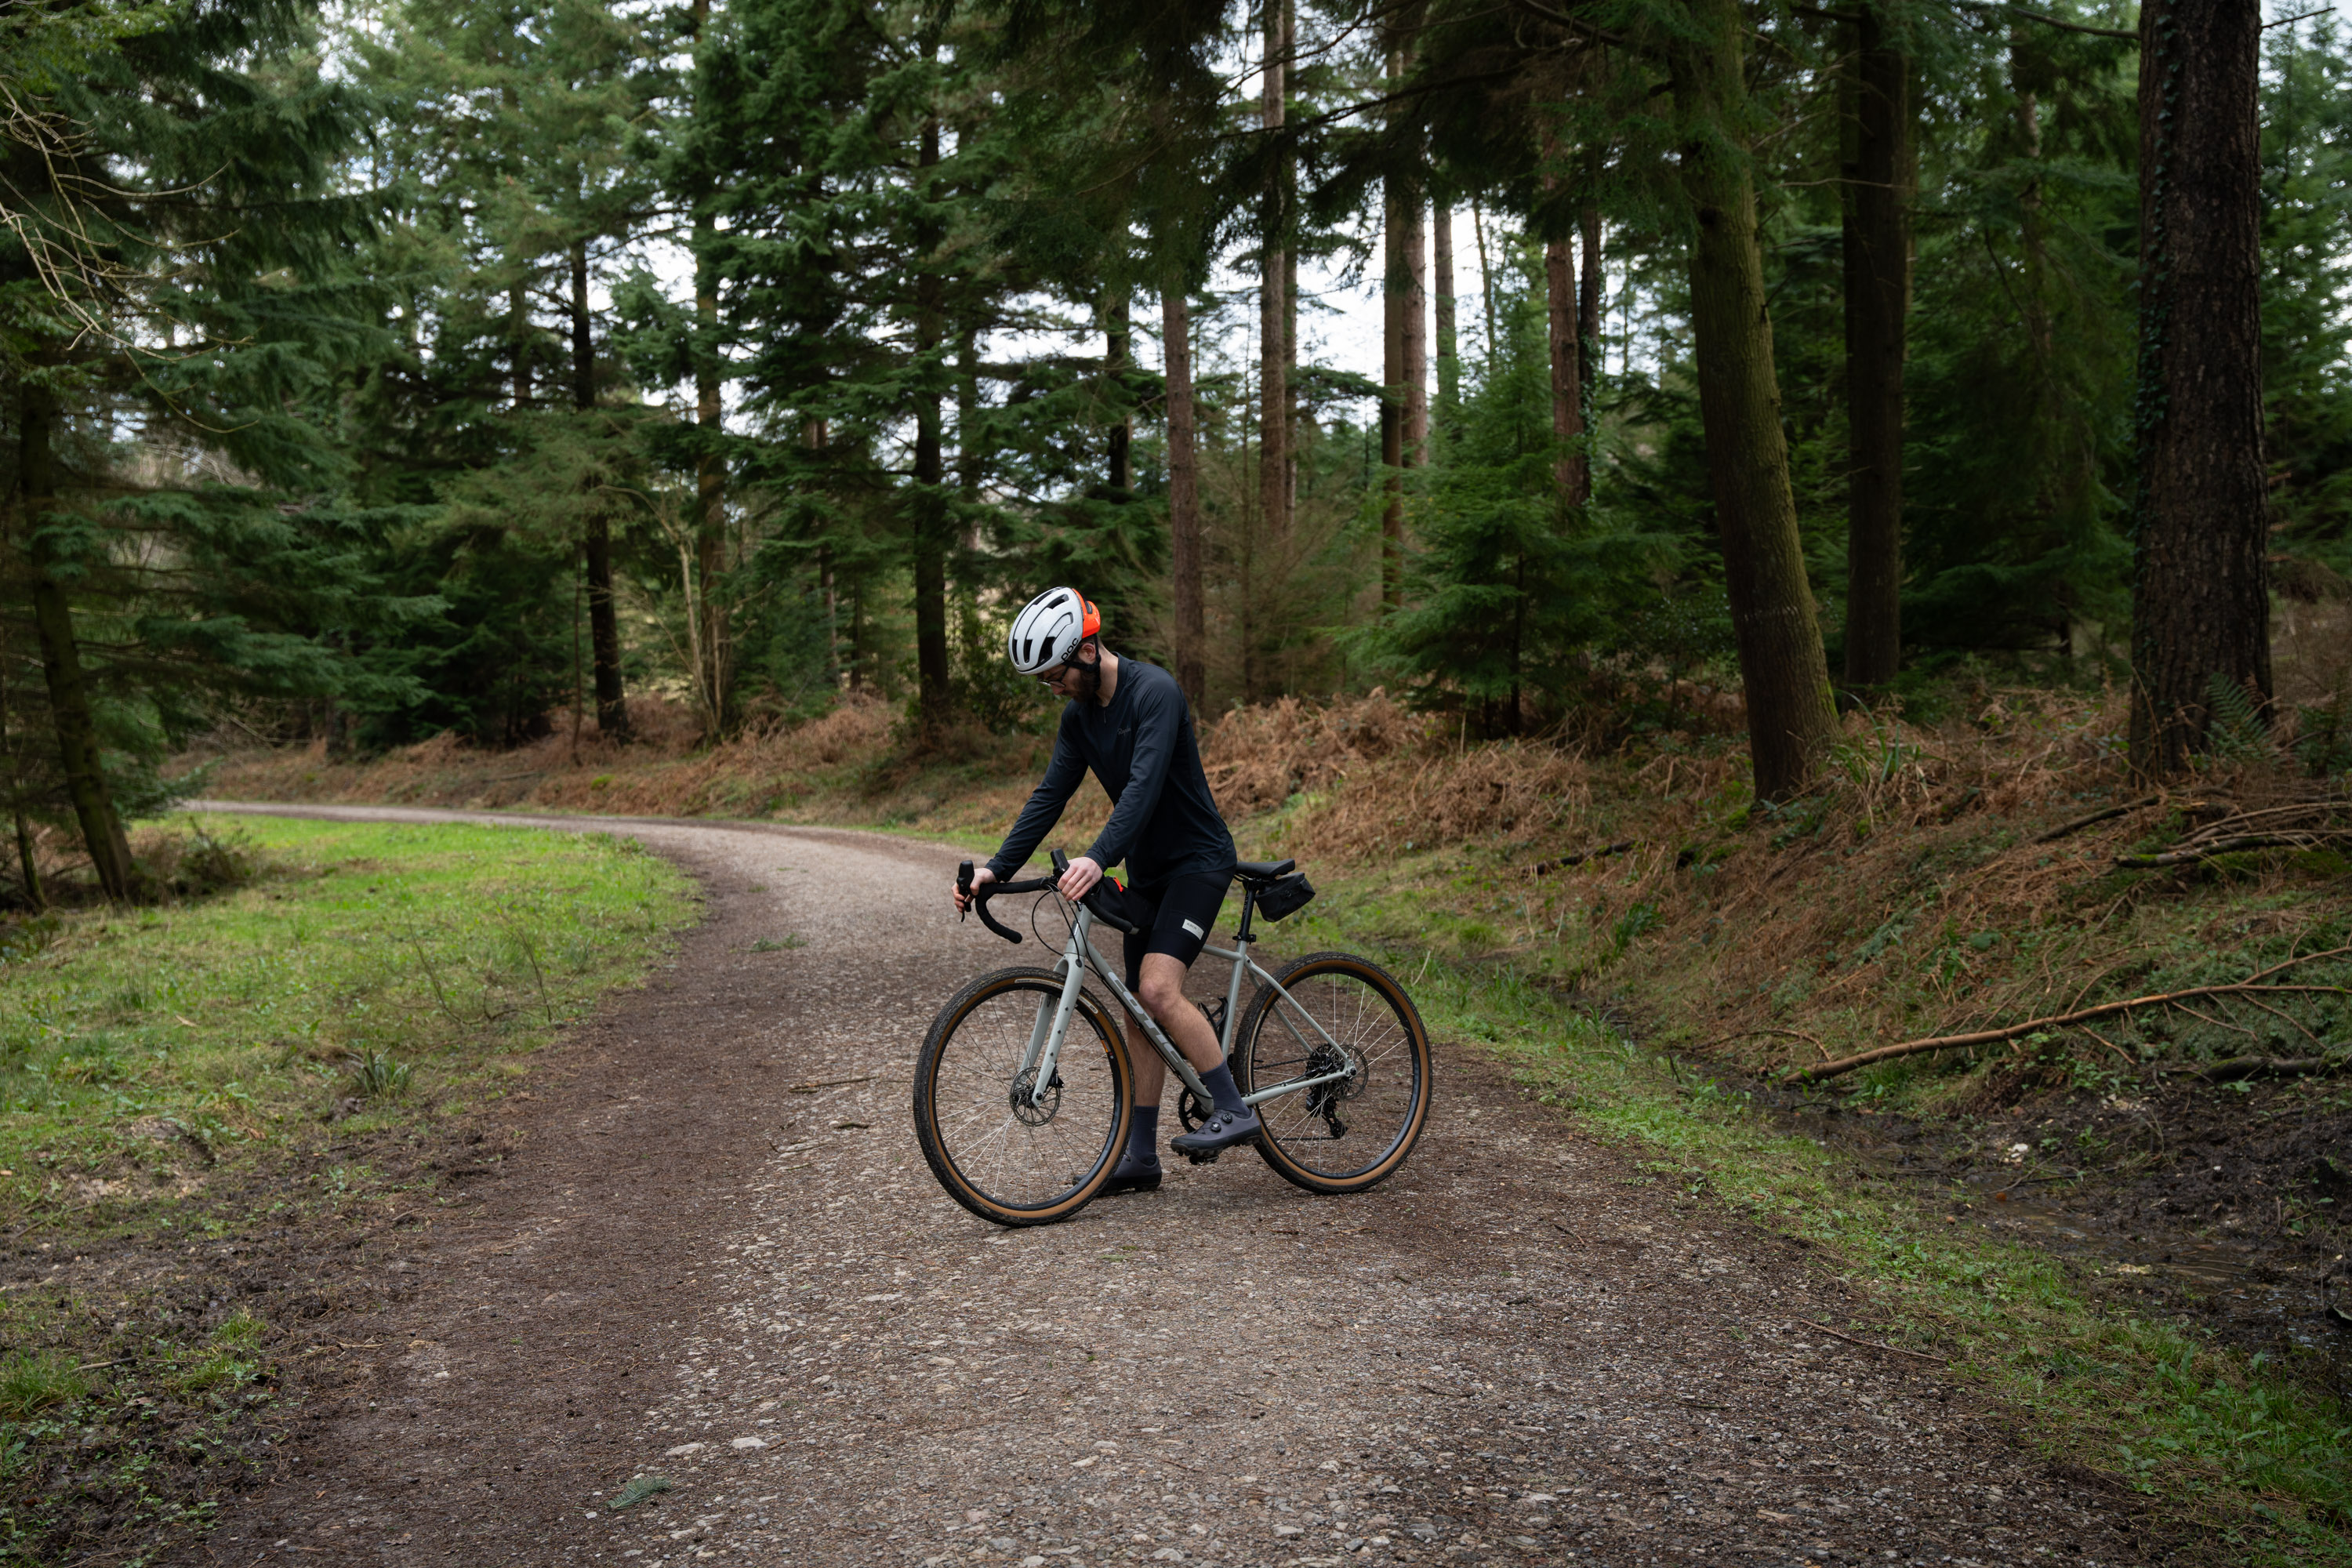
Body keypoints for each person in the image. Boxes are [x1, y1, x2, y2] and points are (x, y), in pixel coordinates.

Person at [951, 586, 1256, 1191]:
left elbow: (1142, 790)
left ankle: (1234, 1108)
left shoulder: (1156, 694)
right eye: (1044, 681)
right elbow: (1048, 797)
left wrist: (1097, 857)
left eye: (1055, 675)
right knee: (1138, 1009)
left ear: (1087, 651)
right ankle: (1141, 1157)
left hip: (1198, 862)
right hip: (1148, 871)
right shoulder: (1080, 719)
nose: (1053, 688)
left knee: (1158, 990)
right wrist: (996, 869)